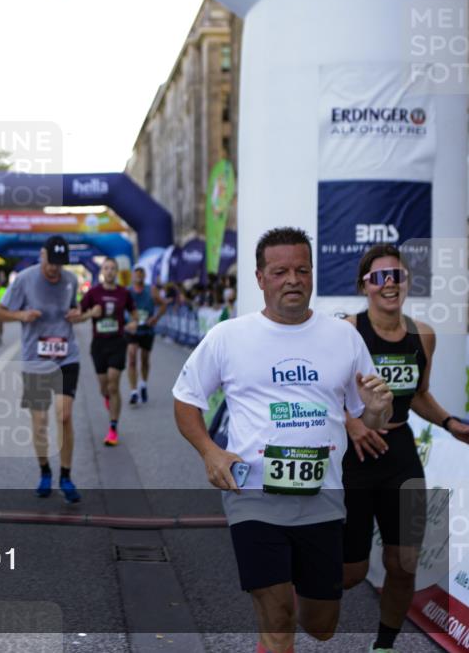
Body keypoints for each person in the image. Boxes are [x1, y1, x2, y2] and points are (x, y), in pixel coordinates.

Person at [172, 227, 393, 653]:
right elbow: (185, 400)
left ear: (312, 275)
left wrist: (377, 408)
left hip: (322, 497)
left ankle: (287, 594)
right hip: (253, 495)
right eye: (280, 271)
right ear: (260, 278)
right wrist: (210, 452)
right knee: (278, 621)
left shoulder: (344, 337)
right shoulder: (228, 337)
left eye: (302, 270)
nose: (292, 279)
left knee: (322, 625)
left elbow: (371, 416)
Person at [339, 244, 469, 653]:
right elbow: (323, 394)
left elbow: (418, 395)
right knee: (352, 571)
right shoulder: (347, 330)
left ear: (407, 282)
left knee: (403, 563)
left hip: (400, 453)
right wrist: (353, 424)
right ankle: (287, 603)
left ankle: (384, 645)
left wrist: (449, 422)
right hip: (354, 454)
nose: (389, 283)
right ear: (365, 286)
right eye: (379, 277)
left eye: (396, 275)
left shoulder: (423, 335)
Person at [0, 235, 93, 503]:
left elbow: (77, 311)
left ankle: (67, 475)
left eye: (59, 265)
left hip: (66, 356)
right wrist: (21, 315)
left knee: (63, 415)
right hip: (35, 359)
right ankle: (45, 471)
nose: (54, 270)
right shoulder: (25, 279)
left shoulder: (70, 281)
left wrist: (79, 316)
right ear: (42, 255)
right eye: (51, 264)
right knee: (39, 424)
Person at [80, 257, 136, 446]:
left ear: (117, 271)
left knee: (114, 385)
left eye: (113, 268)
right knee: (104, 387)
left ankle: (113, 428)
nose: (110, 271)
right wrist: (90, 314)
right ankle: (107, 398)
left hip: (118, 342)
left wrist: (133, 322)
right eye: (106, 268)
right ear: (102, 271)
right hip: (98, 345)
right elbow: (78, 314)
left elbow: (133, 312)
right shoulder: (93, 293)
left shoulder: (123, 293)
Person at [126, 266, 166, 405]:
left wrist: (155, 318)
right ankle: (133, 392)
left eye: (141, 275)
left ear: (144, 277)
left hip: (147, 329)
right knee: (131, 356)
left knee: (144, 359)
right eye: (136, 275)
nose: (138, 277)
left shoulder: (151, 290)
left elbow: (163, 304)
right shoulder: (128, 291)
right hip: (132, 329)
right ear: (132, 276)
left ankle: (143, 384)